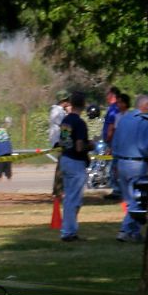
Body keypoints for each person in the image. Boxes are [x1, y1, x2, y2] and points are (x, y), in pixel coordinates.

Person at [111, 94, 148, 243]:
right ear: (145, 106)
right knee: (137, 199)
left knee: (129, 199)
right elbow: (144, 146)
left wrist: (115, 163)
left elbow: (115, 143)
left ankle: (134, 232)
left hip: (121, 162)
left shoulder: (124, 120)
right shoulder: (144, 123)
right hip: (137, 164)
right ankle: (124, 230)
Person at [57, 91, 90, 242]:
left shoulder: (65, 121)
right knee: (74, 199)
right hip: (76, 162)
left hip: (65, 159)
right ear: (83, 105)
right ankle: (69, 232)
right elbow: (79, 146)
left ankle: (68, 229)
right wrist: (91, 145)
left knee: (69, 197)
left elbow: (63, 141)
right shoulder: (80, 123)